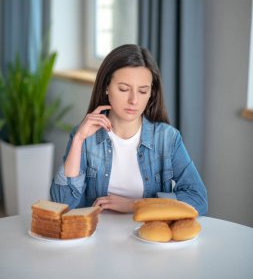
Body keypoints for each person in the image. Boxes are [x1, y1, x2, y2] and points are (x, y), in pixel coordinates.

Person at [50, 44, 208, 215]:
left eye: (142, 91)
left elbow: (198, 199)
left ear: (151, 94)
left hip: (145, 238)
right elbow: (62, 205)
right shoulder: (85, 137)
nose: (134, 100)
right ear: (106, 87)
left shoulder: (167, 138)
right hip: (96, 238)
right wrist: (78, 139)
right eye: (124, 89)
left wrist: (135, 204)